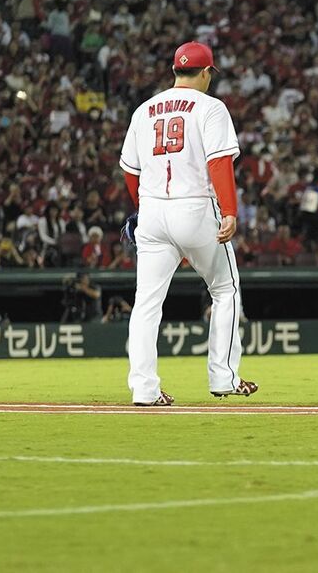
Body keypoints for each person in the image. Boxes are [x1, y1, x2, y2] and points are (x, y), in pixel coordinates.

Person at [119, 41, 256, 406]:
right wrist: (229, 210)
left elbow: (129, 170)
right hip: (195, 208)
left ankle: (144, 390)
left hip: (152, 212)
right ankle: (224, 377)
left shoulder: (144, 110)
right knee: (225, 290)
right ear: (207, 72)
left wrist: (142, 207)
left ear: (175, 71)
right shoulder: (211, 107)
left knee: (146, 304)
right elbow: (219, 162)